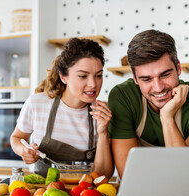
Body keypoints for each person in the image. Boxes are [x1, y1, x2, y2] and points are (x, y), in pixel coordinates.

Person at [108, 30, 189, 178]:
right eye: (146, 79)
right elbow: (129, 175)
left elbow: (188, 175)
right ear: (135, 78)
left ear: (178, 68)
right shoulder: (123, 97)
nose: (158, 87)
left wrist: (167, 117)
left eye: (165, 74)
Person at [11, 38, 114, 179]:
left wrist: (102, 132)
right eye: (83, 76)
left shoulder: (102, 114)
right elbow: (17, 138)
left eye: (99, 76)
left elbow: (103, 176)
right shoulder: (37, 104)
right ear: (63, 77)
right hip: (42, 195)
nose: (93, 84)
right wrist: (24, 151)